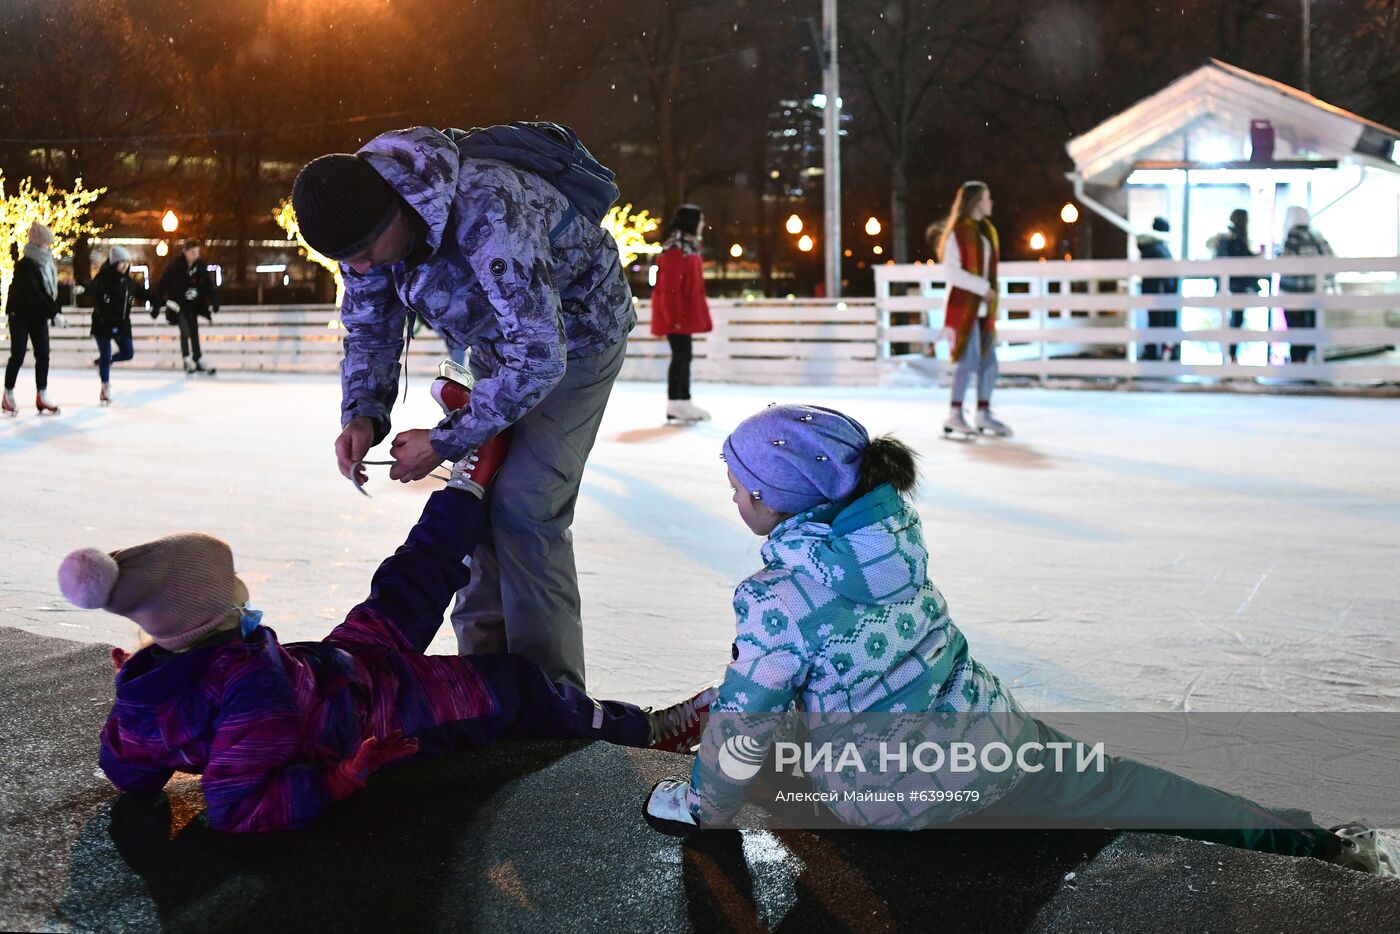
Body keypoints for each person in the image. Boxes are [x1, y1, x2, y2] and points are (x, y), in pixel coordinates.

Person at [641, 404, 1396, 878]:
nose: (733, 497)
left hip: (889, 795)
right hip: (991, 740)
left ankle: (702, 719)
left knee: (753, 710)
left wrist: (707, 805)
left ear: (772, 501)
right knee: (1134, 786)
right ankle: (1314, 845)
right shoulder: (889, 537)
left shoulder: (781, 600)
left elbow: (748, 728)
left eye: (738, 486)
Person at [57, 380, 714, 834]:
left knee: (406, 581)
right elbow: (237, 807)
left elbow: (125, 767)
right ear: (206, 615)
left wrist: (160, 701)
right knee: (514, 684)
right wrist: (339, 780)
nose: (243, 592)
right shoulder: (248, 686)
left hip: (336, 667)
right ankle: (645, 730)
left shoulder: (145, 687)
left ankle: (466, 483)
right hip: (377, 713)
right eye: (233, 587)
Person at [291, 124, 634, 691]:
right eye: (345, 261)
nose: (361, 270)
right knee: (475, 495)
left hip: (577, 340)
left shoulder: (490, 209)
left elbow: (542, 356)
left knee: (526, 502)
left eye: (363, 253)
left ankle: (551, 699)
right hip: (503, 345)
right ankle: (486, 679)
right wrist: (363, 413)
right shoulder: (366, 237)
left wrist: (445, 440)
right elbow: (371, 325)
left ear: (398, 214)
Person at [929, 181, 1011, 439]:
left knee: (989, 362)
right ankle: (954, 413)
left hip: (984, 308)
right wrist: (983, 287)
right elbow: (952, 272)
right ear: (977, 202)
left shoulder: (987, 231)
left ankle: (983, 412)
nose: (991, 203)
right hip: (964, 308)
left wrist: (989, 294)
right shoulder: (958, 232)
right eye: (987, 198)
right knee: (969, 360)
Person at [651, 204, 713, 424]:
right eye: (701, 220)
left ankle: (682, 401)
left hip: (682, 314)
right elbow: (670, 287)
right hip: (677, 315)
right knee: (681, 356)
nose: (703, 225)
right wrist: (674, 317)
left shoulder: (687, 246)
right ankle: (677, 402)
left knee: (683, 356)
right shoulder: (677, 249)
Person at [3, 221, 65, 416]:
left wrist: (55, 310)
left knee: (43, 354)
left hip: (37, 315)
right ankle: (8, 394)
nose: (50, 247)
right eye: (47, 243)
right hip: (19, 314)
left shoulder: (47, 265)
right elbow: (34, 293)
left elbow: (49, 293)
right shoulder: (25, 265)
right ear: (39, 243)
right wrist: (53, 313)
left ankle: (42, 394)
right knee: (19, 353)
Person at [86, 245, 151, 405]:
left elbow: (145, 293)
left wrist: (163, 301)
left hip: (121, 324)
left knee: (128, 353)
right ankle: (105, 388)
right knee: (106, 355)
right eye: (121, 262)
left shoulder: (129, 282)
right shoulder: (103, 278)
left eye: (126, 262)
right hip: (102, 324)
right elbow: (93, 287)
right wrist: (83, 288)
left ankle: (102, 362)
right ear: (114, 263)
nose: (125, 265)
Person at [1278, 206, 1334, 365]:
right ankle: (1309, 361)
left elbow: (1284, 263)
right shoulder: (1316, 236)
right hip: (1314, 291)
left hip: (1292, 292)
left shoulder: (1293, 236)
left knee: (1295, 329)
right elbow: (1331, 259)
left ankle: (1297, 363)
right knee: (1310, 328)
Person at [154, 239, 219, 374]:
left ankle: (197, 358)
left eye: (197, 252)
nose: (195, 255)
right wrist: (156, 305)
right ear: (185, 252)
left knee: (194, 331)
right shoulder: (175, 266)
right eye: (192, 252)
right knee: (185, 331)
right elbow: (163, 284)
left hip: (193, 305)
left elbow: (207, 285)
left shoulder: (200, 266)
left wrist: (214, 301)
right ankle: (186, 359)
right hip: (178, 306)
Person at [1210, 209, 1261, 364]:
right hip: (1235, 287)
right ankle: (1231, 357)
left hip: (1232, 286)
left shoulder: (1230, 238)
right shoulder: (1234, 238)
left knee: (1233, 321)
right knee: (1235, 322)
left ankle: (1230, 356)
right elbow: (1240, 260)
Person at [1136, 217, 1180, 362]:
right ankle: (1157, 352)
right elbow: (1167, 269)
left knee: (1155, 322)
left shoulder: (1152, 247)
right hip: (1160, 292)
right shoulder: (1158, 248)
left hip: (1155, 291)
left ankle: (1154, 351)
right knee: (1159, 322)